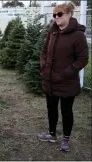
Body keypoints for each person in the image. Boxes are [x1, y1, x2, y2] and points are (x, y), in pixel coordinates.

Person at [38, 2, 89, 152]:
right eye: (54, 15)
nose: (56, 17)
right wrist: (43, 67)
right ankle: (52, 134)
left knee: (66, 111)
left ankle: (66, 138)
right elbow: (44, 51)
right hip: (50, 80)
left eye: (59, 14)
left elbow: (83, 59)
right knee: (51, 108)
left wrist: (65, 73)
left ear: (68, 14)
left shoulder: (78, 35)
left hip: (67, 81)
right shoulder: (52, 32)